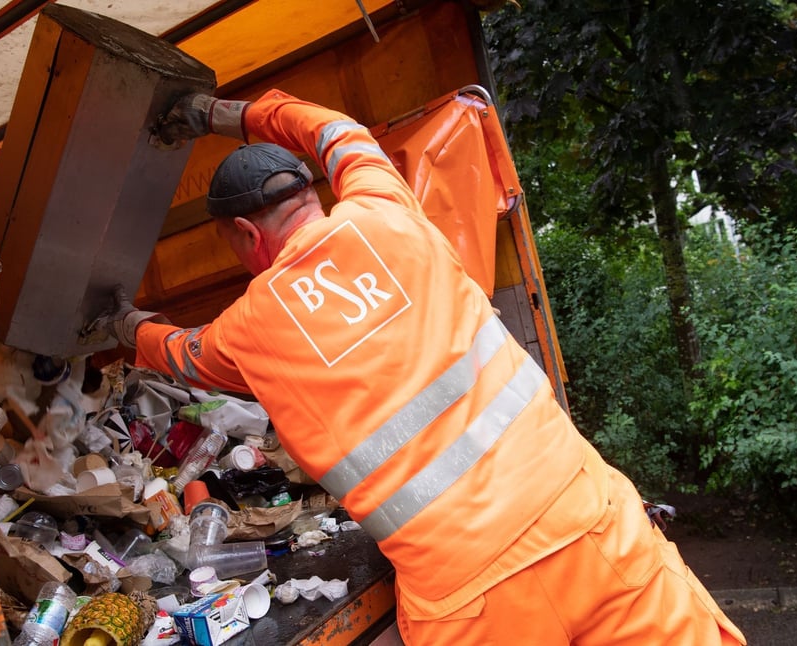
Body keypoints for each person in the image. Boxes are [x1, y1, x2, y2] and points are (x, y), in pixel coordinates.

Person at [102, 89, 746, 645]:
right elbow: (336, 131)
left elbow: (180, 352)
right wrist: (215, 114)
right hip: (587, 526)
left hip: (470, 599)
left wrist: (118, 323)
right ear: (308, 194)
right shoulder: (385, 209)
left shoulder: (250, 328)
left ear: (246, 232)